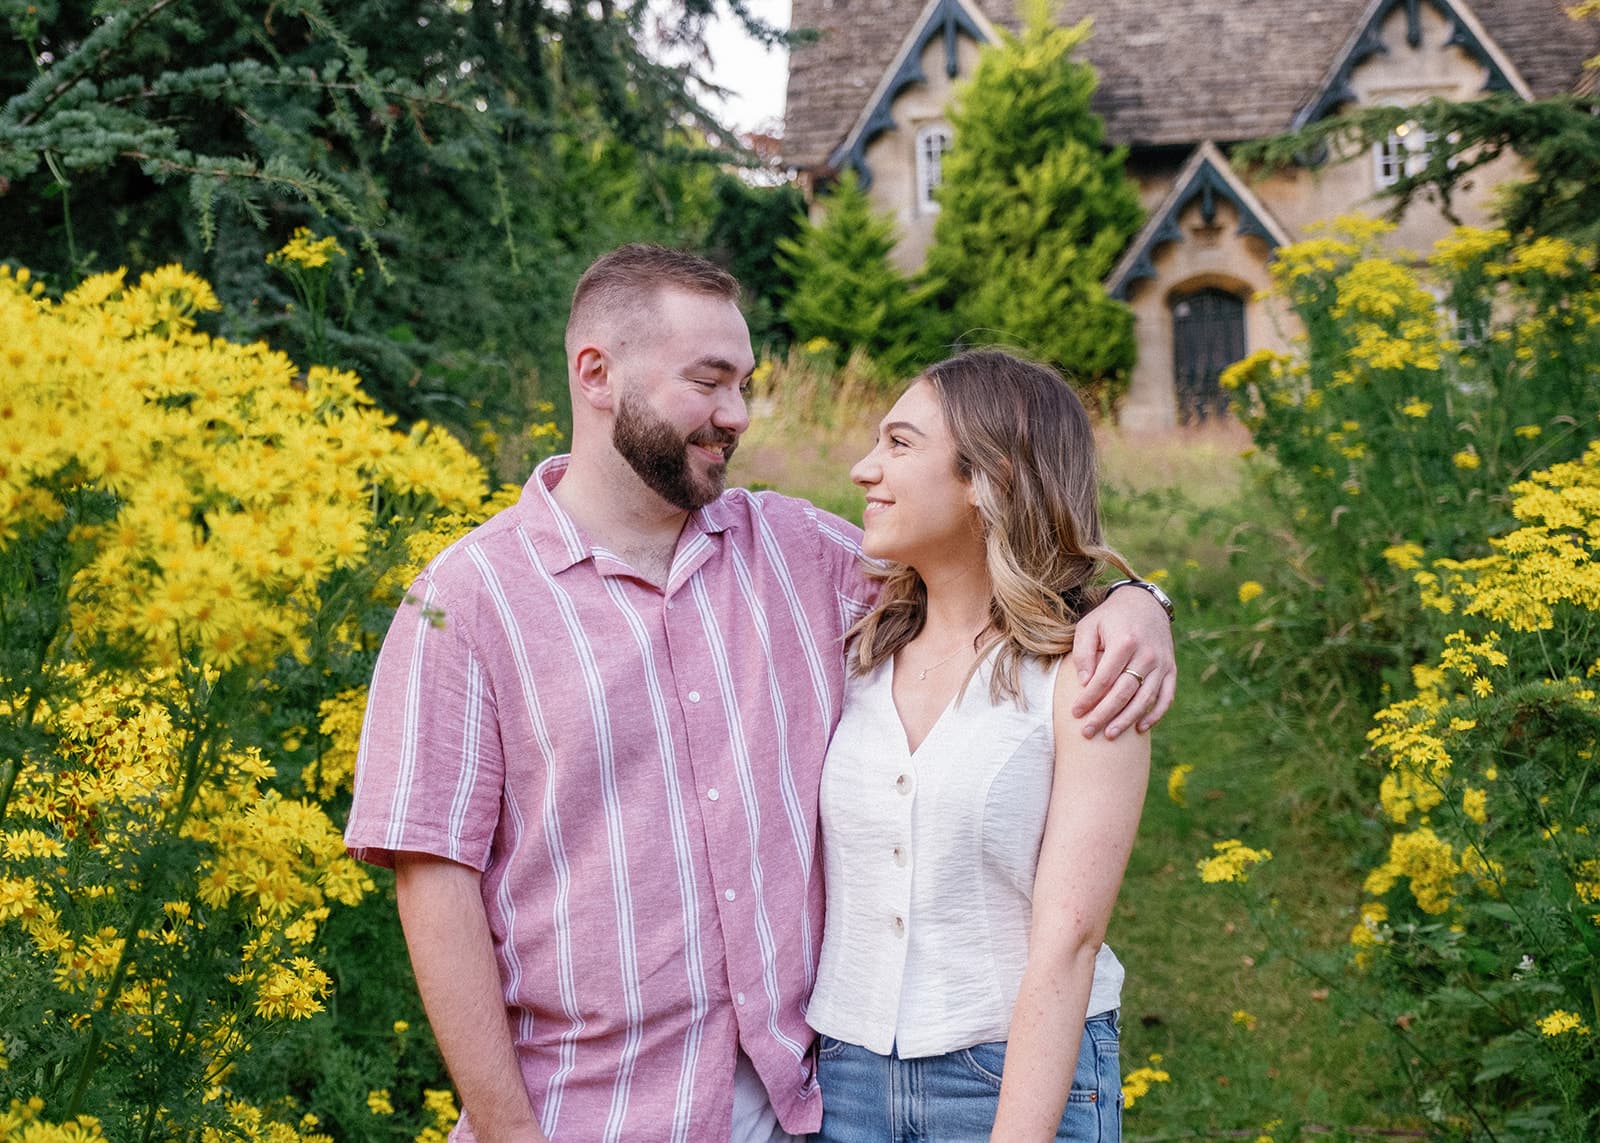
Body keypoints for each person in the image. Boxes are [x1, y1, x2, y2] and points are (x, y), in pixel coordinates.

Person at [344, 245, 1175, 1143]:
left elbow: (991, 574)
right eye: (709, 382)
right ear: (596, 372)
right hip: (586, 1114)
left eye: (745, 383)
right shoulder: (466, 602)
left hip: (801, 1108)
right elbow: (434, 881)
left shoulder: (796, 553)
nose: (735, 415)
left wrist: (1137, 602)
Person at [806, 350, 1151, 1143]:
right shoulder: (854, 648)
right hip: (845, 1078)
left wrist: (1138, 601)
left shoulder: (1090, 670)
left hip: (1016, 1077)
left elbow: (1069, 940)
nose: (864, 469)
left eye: (899, 444)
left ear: (986, 475)